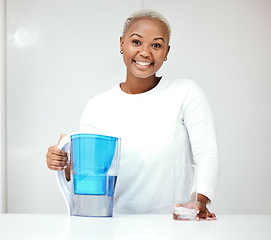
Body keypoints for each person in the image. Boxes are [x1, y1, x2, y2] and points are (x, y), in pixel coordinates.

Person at [46, 9, 219, 220]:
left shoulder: (185, 93)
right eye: (136, 42)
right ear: (121, 44)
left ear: (166, 51)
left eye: (156, 45)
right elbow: (87, 171)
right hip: (114, 225)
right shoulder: (98, 105)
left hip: (173, 224)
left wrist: (198, 201)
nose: (145, 52)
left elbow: (207, 153)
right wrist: (63, 161)